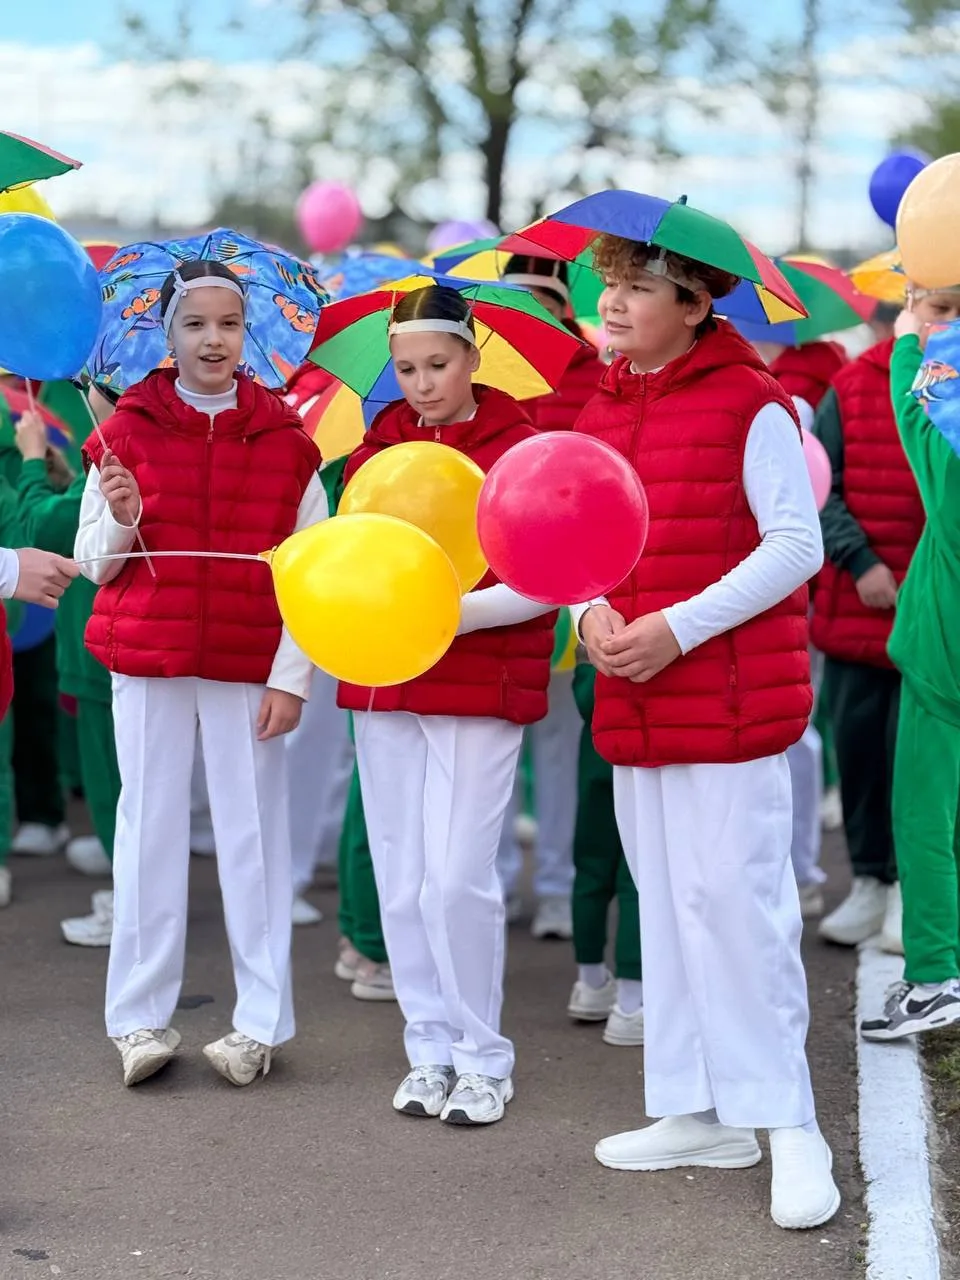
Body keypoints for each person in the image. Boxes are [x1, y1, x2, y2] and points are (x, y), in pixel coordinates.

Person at [575, 232, 838, 1230]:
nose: (613, 302)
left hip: (726, 697)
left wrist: (678, 627)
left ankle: (791, 1122)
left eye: (638, 287)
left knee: (739, 910)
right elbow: (576, 535)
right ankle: (696, 1110)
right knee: (671, 906)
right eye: (610, 284)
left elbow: (796, 545)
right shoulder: (602, 402)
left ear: (694, 305)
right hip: (635, 693)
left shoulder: (752, 402)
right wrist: (587, 612)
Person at [75, 259, 325, 1088]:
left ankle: (259, 1024)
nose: (212, 339)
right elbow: (93, 566)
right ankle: (139, 1021)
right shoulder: (124, 434)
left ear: (246, 332)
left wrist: (291, 677)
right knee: (148, 831)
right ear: (168, 333)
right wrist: (122, 519)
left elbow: (313, 573)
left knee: (254, 839)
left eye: (227, 323)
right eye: (194, 324)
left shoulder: (291, 443)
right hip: (149, 655)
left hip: (247, 662)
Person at [337, 284, 555, 1125]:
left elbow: (542, 580)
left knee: (458, 879)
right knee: (401, 880)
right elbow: (352, 568)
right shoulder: (372, 452)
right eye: (406, 370)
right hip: (384, 679)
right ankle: (428, 1050)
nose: (422, 384)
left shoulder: (520, 447)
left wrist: (443, 614)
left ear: (473, 355)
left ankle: (484, 1058)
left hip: (478, 681)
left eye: (437, 364)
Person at [812, 284, 960, 953]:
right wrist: (861, 561)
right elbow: (821, 488)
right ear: (907, 309)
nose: (947, 323)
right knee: (861, 753)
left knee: (927, 776)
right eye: (937, 309)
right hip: (861, 607)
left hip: (935, 617)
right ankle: (870, 879)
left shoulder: (945, 384)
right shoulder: (850, 385)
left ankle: (914, 892)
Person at [495, 255, 603, 939]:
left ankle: (559, 885)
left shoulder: (597, 377)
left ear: (563, 305)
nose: (529, 312)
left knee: (560, 743)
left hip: (570, 578)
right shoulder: (482, 371)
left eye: (541, 298)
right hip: (498, 577)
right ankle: (501, 879)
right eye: (516, 299)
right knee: (500, 740)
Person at [860, 310, 960, 1040]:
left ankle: (934, 980)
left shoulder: (949, 464)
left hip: (942, 663)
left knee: (926, 823)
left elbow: (912, 417)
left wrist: (906, 343)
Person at [747, 331, 849, 920]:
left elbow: (810, 512)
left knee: (796, 730)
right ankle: (778, 871)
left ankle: (804, 868)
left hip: (794, 586)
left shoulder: (809, 386)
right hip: (747, 582)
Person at [15, 389, 121, 941]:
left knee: (113, 789)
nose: (87, 390)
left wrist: (33, 459)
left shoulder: (119, 454)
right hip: (113, 650)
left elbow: (42, 528)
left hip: (103, 653)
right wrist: (60, 476)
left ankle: (131, 907)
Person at [566, 660, 643, 1046]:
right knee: (638, 876)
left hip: (595, 748)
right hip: (641, 745)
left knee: (590, 869)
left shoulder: (590, 660)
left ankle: (590, 981)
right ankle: (632, 1000)